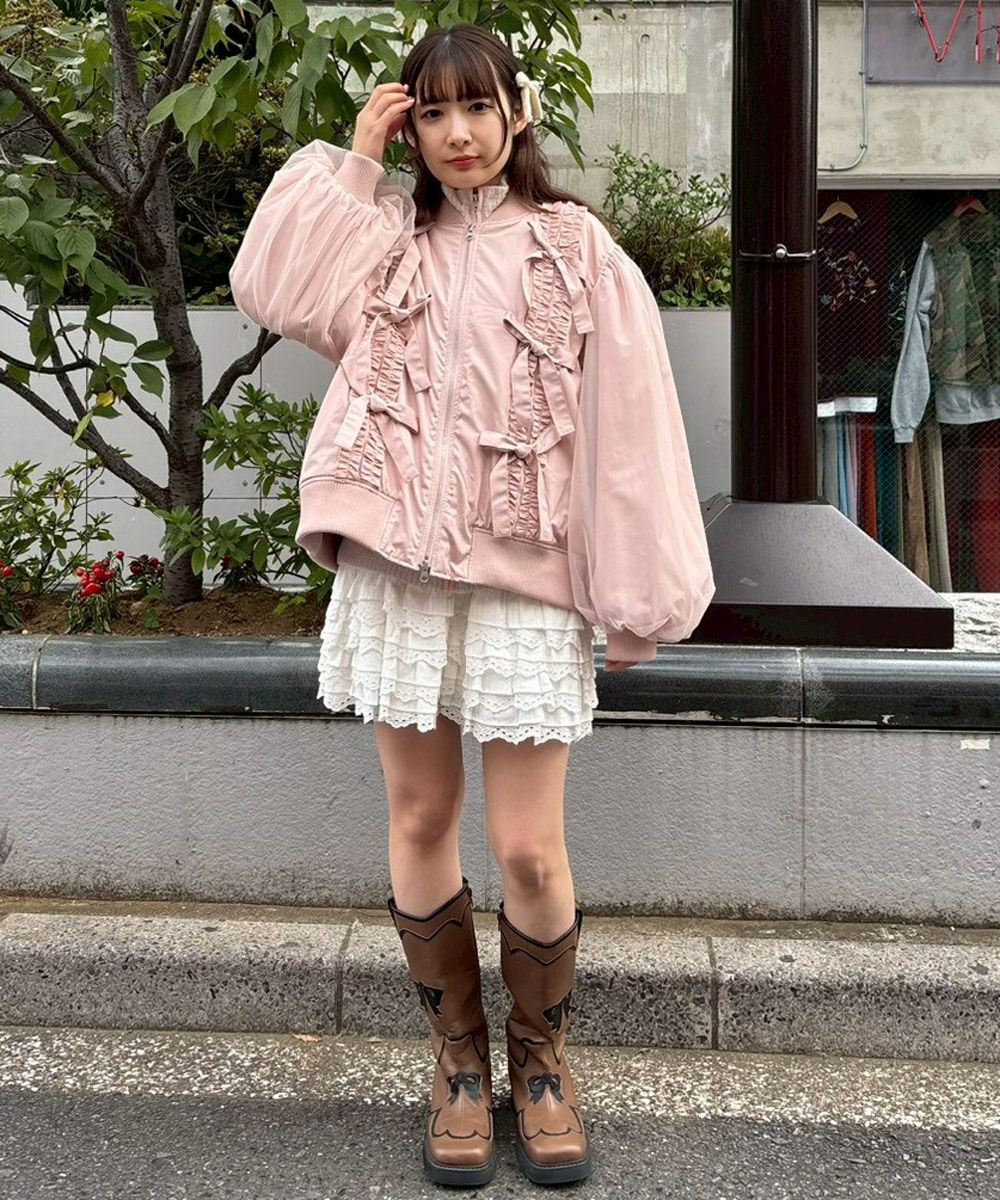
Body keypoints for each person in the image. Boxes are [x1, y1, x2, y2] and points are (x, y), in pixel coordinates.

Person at [229, 23, 715, 1189]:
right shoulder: (384, 243)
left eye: (478, 106)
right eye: (434, 111)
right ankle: (457, 1059)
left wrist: (636, 596)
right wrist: (357, 162)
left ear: (517, 113)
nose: (457, 133)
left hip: (527, 582)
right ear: (414, 125)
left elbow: (631, 434)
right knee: (418, 819)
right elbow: (272, 286)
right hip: (397, 574)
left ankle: (539, 1060)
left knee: (529, 849)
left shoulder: (576, 249)